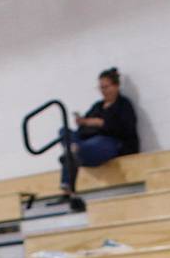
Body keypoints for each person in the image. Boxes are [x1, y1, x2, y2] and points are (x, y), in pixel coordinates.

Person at [58, 68, 140, 196]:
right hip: (89, 142)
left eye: (106, 87)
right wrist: (84, 122)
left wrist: (100, 123)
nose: (103, 91)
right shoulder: (97, 106)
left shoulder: (123, 105)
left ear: (116, 86)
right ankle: (73, 151)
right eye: (101, 88)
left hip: (111, 143)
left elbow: (125, 130)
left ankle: (72, 154)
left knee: (92, 144)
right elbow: (83, 130)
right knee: (64, 131)